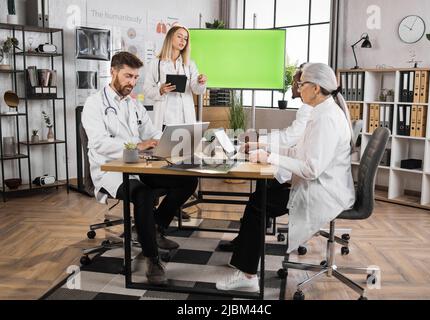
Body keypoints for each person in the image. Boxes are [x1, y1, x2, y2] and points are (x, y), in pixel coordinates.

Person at [216, 63, 355, 292]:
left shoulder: (326, 119)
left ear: (316, 88)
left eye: (302, 84)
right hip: (319, 184)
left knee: (258, 205)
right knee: (263, 196)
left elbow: (311, 168)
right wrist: (266, 150)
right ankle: (245, 263)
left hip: (322, 191)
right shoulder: (322, 112)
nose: (299, 89)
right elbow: (301, 152)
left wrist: (271, 157)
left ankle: (247, 275)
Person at [82, 52, 198, 286]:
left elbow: (151, 133)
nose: (132, 82)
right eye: (128, 76)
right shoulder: (94, 104)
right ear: (113, 72)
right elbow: (99, 143)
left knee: (188, 180)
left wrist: (168, 141)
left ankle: (155, 227)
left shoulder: (134, 104)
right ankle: (152, 258)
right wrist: (137, 145)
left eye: (135, 77)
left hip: (138, 166)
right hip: (110, 171)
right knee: (143, 194)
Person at [218, 63, 313, 252]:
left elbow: (290, 139)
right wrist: (262, 146)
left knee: (260, 196)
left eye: (299, 82)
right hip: (307, 174)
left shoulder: (309, 109)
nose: (296, 86)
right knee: (263, 188)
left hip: (309, 184)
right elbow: (292, 141)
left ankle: (249, 243)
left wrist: (262, 145)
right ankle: (255, 232)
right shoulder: (320, 109)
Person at [144, 25, 207, 131]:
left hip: (185, 120)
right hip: (165, 121)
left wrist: (201, 82)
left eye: (185, 39)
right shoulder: (156, 63)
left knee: (187, 147)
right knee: (165, 148)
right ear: (170, 37)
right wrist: (160, 90)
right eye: (179, 36)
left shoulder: (189, 64)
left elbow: (196, 90)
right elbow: (147, 89)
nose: (183, 41)